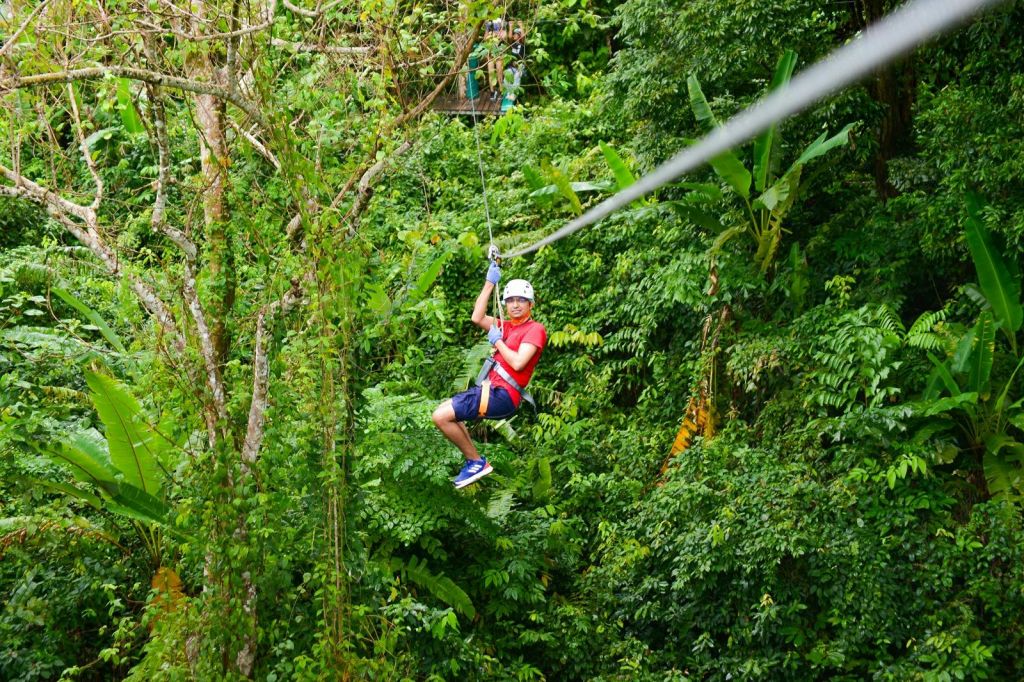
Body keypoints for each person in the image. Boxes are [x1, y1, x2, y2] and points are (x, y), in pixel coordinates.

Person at [432, 261, 547, 488]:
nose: (515, 305)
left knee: (440, 417)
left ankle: (475, 462)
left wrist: (498, 341)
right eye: (511, 300)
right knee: (446, 414)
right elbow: (477, 317)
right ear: (504, 304)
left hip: (503, 394)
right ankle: (475, 461)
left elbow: (517, 362)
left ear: (531, 304)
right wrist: (489, 283)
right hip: (491, 390)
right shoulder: (506, 326)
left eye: (521, 300)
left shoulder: (535, 330)